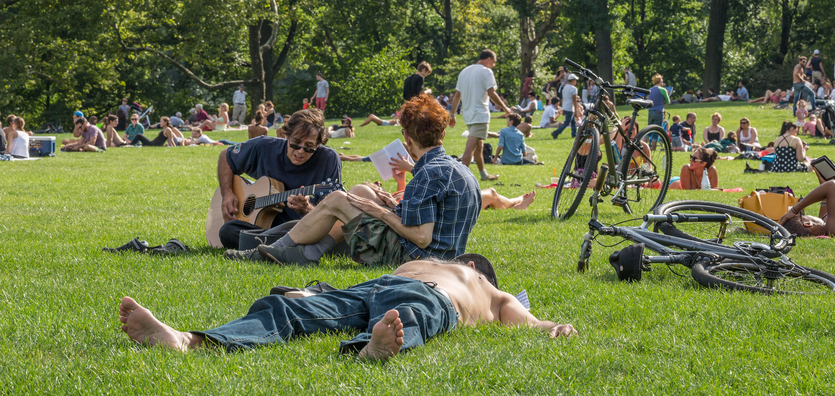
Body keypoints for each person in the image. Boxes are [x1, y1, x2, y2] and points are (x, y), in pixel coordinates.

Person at [116, 255, 576, 360]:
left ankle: (372, 346)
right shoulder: (424, 259)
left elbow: (530, 321)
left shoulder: (488, 289)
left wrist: (553, 326)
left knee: (406, 314)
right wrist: (311, 298)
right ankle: (186, 338)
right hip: (375, 285)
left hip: (434, 298)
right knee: (285, 309)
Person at [228, 95, 480, 266]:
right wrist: (390, 204)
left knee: (338, 198)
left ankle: (271, 252)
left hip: (415, 258)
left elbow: (422, 237)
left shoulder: (426, 174)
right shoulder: (462, 171)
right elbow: (436, 221)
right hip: (445, 256)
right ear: (443, 134)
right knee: (360, 190)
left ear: (407, 137)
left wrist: (379, 213)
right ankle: (311, 252)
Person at [215, 108, 344, 250]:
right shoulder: (264, 146)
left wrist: (307, 209)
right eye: (295, 143)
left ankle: (278, 247)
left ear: (319, 144)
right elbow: (225, 156)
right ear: (286, 136)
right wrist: (227, 193)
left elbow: (332, 215)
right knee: (228, 230)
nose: (300, 151)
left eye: (309, 147)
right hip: (265, 229)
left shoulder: (328, 159)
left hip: (302, 229)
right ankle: (286, 249)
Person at [450, 49, 510, 181]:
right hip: (480, 114)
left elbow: (457, 96)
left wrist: (453, 114)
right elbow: (492, 93)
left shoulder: (464, 71)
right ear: (488, 59)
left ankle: (484, 175)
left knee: (479, 146)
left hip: (468, 115)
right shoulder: (486, 71)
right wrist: (506, 108)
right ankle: (459, 179)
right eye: (493, 62)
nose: (493, 65)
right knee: (470, 147)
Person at [551, 74, 580, 140]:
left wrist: (563, 108)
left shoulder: (565, 88)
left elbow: (563, 99)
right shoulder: (574, 89)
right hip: (570, 108)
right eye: (575, 80)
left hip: (565, 107)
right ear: (573, 80)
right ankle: (556, 132)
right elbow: (574, 100)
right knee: (567, 123)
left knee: (573, 122)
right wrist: (576, 110)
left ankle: (574, 134)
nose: (576, 81)